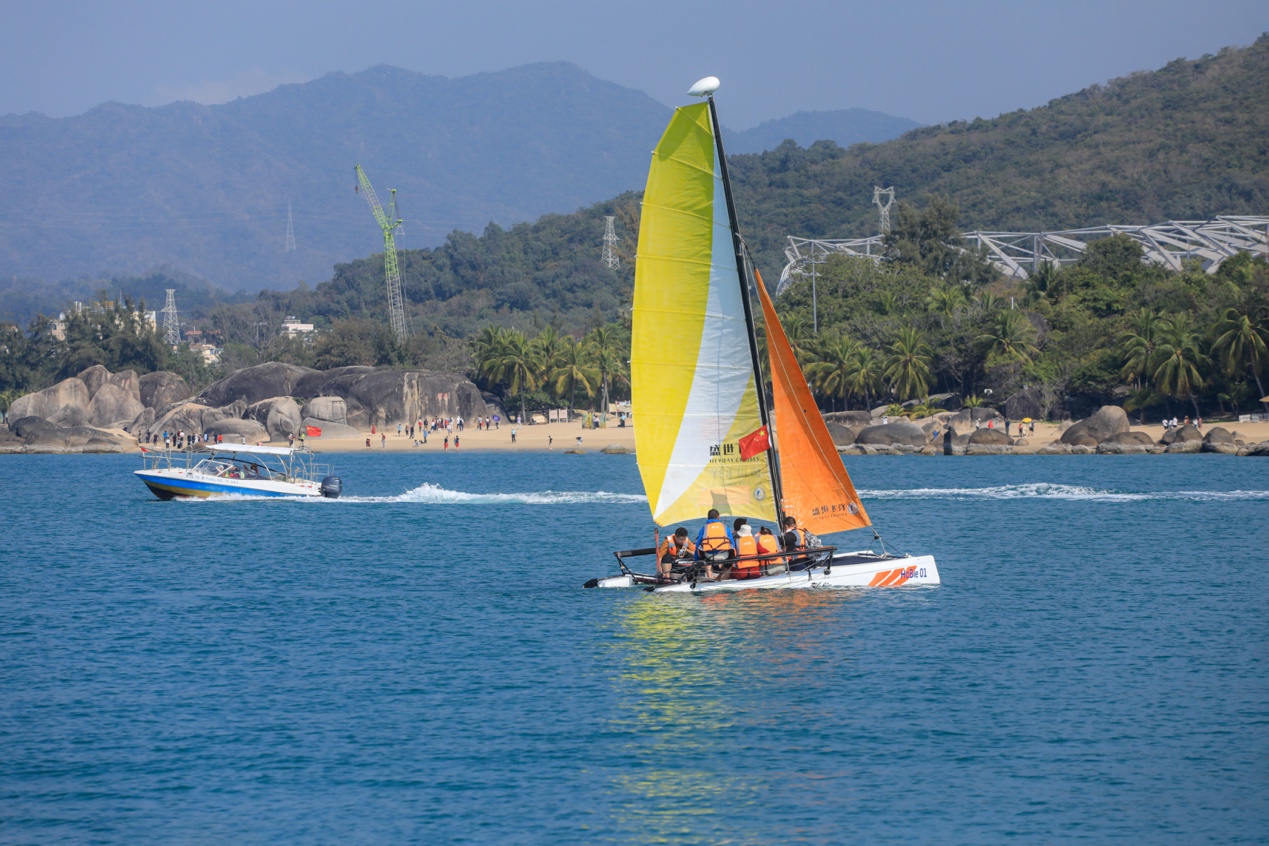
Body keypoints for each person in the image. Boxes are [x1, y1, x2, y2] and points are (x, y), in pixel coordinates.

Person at [695, 509, 735, 580]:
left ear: (708, 518)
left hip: (709, 556)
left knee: (702, 550)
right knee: (732, 552)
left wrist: (696, 560)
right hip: (724, 555)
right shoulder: (725, 527)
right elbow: (732, 543)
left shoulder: (704, 528)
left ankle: (709, 577)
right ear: (718, 517)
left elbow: (697, 544)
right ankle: (720, 576)